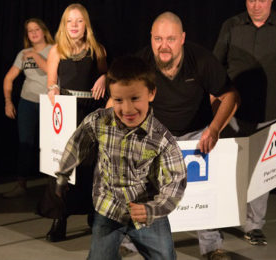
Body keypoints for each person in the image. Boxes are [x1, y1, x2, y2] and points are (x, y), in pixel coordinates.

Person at [54, 56, 187, 260]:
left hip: (146, 213)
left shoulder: (162, 139)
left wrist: (154, 208)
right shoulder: (99, 121)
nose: (127, 109)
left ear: (151, 93)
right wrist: (63, 174)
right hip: (108, 209)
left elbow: (176, 180)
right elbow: (77, 143)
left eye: (134, 98)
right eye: (118, 100)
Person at [132, 12, 239, 260]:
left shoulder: (200, 59)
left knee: (204, 189)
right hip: (156, 133)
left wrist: (214, 129)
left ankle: (212, 246)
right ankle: (134, 240)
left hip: (196, 133)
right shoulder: (141, 61)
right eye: (158, 38)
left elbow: (230, 95)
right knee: (142, 187)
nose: (164, 45)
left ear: (182, 39)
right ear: (151, 38)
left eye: (170, 39)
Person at [212, 0, 276, 256]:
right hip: (232, 112)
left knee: (261, 172)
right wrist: (216, 103)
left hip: (270, 112)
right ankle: (217, 221)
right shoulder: (231, 25)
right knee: (226, 169)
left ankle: (253, 225)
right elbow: (214, 65)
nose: (256, 5)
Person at [42, 3, 107, 242]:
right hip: (67, 112)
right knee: (63, 169)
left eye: (79, 21)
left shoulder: (97, 49)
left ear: (85, 24)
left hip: (91, 112)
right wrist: (53, 89)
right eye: (70, 21)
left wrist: (104, 77)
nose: (74, 26)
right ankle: (60, 220)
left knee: (92, 168)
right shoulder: (57, 50)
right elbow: (51, 81)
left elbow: (108, 75)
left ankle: (93, 215)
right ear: (64, 25)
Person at [2, 18, 54, 198]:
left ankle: (52, 186)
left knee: (49, 145)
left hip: (50, 102)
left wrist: (35, 56)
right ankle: (21, 184)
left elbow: (50, 70)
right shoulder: (23, 53)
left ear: (44, 31)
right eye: (30, 31)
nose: (33, 33)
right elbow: (8, 78)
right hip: (27, 101)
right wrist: (8, 101)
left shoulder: (54, 50)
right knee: (25, 143)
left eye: (36, 29)